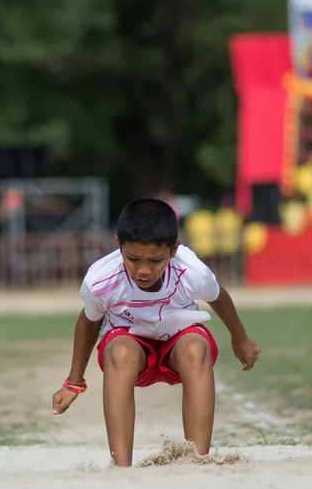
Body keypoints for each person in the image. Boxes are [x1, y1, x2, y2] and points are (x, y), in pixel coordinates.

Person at [52, 198, 260, 467]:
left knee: (196, 349)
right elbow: (89, 322)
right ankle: (122, 466)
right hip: (131, 344)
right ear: (119, 245)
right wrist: (73, 382)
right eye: (133, 258)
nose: (143, 270)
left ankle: (195, 460)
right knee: (121, 353)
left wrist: (240, 338)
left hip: (179, 342)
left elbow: (219, 298)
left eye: (156, 260)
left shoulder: (191, 272)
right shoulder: (101, 281)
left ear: (174, 249)